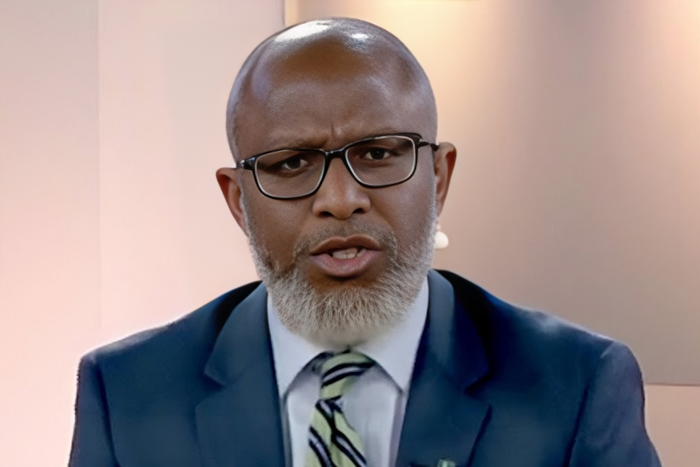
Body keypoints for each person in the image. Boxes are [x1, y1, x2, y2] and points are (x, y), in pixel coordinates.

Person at [69, 18, 661, 467]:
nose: (340, 199)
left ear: (439, 178)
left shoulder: (576, 386)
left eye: (378, 154)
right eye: (292, 163)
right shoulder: (127, 394)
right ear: (238, 202)